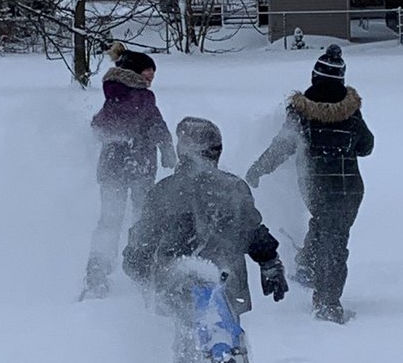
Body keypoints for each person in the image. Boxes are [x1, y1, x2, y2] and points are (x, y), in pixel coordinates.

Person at [245, 44, 374, 324]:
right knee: (333, 239)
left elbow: (282, 147)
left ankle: (321, 292)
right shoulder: (351, 112)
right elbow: (367, 147)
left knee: (326, 232)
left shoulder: (301, 113)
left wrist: (257, 170)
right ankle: (319, 287)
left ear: (314, 77)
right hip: (349, 191)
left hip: (315, 190)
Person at [123, 116, 288, 317]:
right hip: (226, 289)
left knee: (181, 331)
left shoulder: (164, 191)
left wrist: (138, 266)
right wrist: (270, 263)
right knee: (223, 332)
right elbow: (252, 232)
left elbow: (143, 241)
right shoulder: (233, 188)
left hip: (174, 289)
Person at [82, 49, 176, 299]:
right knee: (142, 219)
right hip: (139, 167)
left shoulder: (113, 93)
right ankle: (139, 270)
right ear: (135, 73)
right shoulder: (142, 97)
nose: (150, 81)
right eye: (148, 75)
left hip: (112, 167)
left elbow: (98, 126)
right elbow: (156, 125)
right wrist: (167, 150)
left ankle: (97, 272)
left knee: (109, 220)